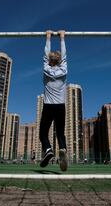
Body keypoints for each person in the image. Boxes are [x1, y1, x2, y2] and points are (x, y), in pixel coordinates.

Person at [39, 30, 68, 171]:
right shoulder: (64, 70)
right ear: (60, 61)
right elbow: (64, 55)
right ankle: (62, 148)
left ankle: (48, 150)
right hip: (61, 106)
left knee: (43, 133)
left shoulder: (46, 69)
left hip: (48, 106)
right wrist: (62, 38)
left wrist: (48, 37)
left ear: (49, 61)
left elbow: (45, 56)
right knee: (60, 132)